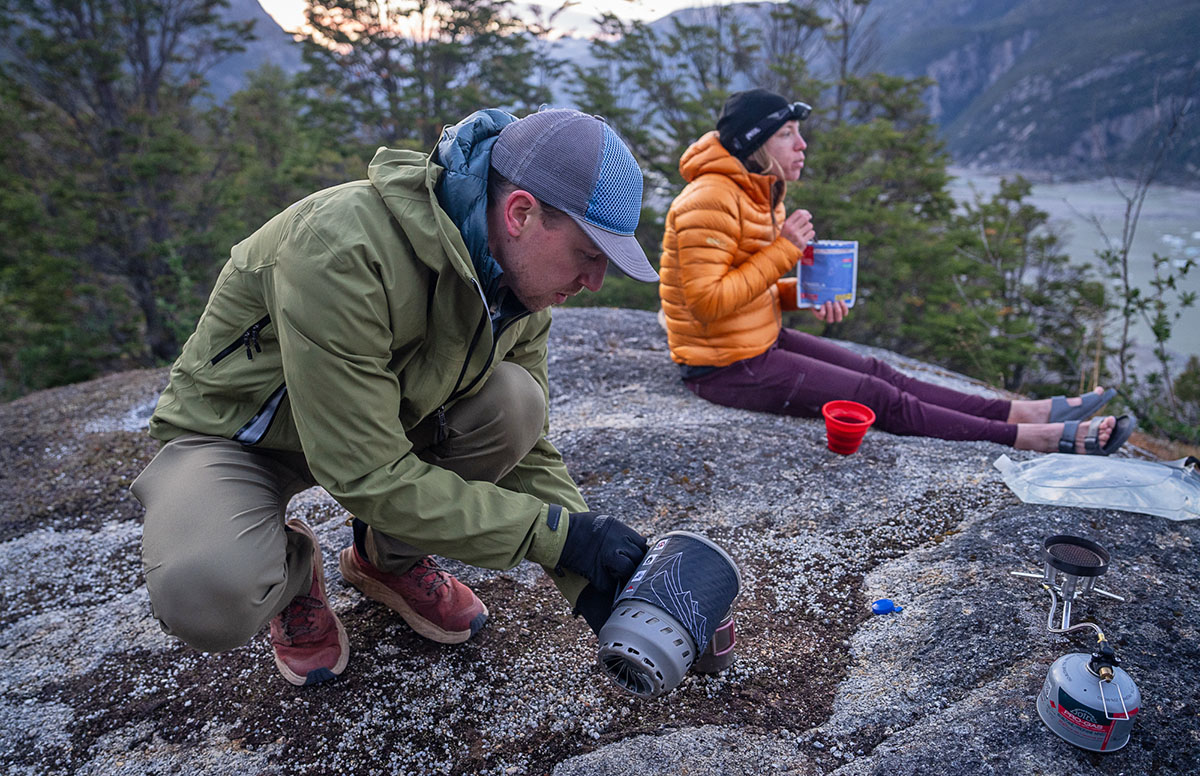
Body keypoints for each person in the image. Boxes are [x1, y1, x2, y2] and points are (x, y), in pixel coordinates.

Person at [131, 107, 655, 687]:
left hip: (378, 423)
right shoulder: (341, 247)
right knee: (206, 593)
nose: (594, 282)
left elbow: (528, 452)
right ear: (520, 213)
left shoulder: (519, 288)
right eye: (589, 254)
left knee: (517, 403)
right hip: (242, 437)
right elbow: (365, 471)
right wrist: (553, 538)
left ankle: (386, 561)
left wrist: (598, 580)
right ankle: (292, 571)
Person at [658, 88, 1134, 456]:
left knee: (878, 371)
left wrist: (805, 294)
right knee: (874, 395)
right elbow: (706, 302)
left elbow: (746, 287)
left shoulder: (757, 190)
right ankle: (1035, 438)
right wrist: (786, 249)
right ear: (755, 143)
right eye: (787, 134)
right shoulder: (710, 199)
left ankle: (1022, 411)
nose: (802, 145)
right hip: (722, 367)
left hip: (754, 343)